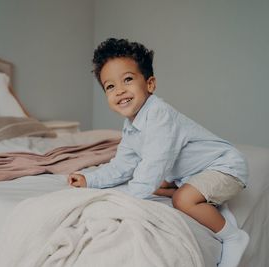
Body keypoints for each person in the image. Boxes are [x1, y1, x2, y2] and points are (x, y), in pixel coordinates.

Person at [68, 38, 249, 267]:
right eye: (110, 86)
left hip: (225, 167)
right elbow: (122, 166)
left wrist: (126, 200)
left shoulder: (160, 115)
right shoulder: (132, 126)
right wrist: (90, 179)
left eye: (128, 79)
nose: (120, 90)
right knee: (159, 185)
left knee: (182, 199)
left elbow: (154, 163)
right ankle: (196, 193)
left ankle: (232, 237)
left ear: (150, 84)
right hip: (194, 173)